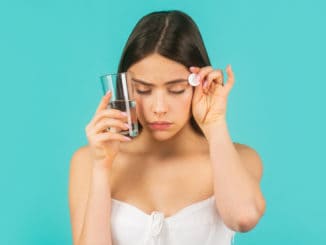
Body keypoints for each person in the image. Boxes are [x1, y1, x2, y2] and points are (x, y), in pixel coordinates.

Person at [68, 10, 266, 245]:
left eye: (176, 90)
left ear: (197, 85)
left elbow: (243, 219)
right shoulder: (88, 161)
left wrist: (215, 124)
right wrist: (102, 168)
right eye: (143, 90)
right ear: (126, 88)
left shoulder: (240, 158)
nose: (159, 108)